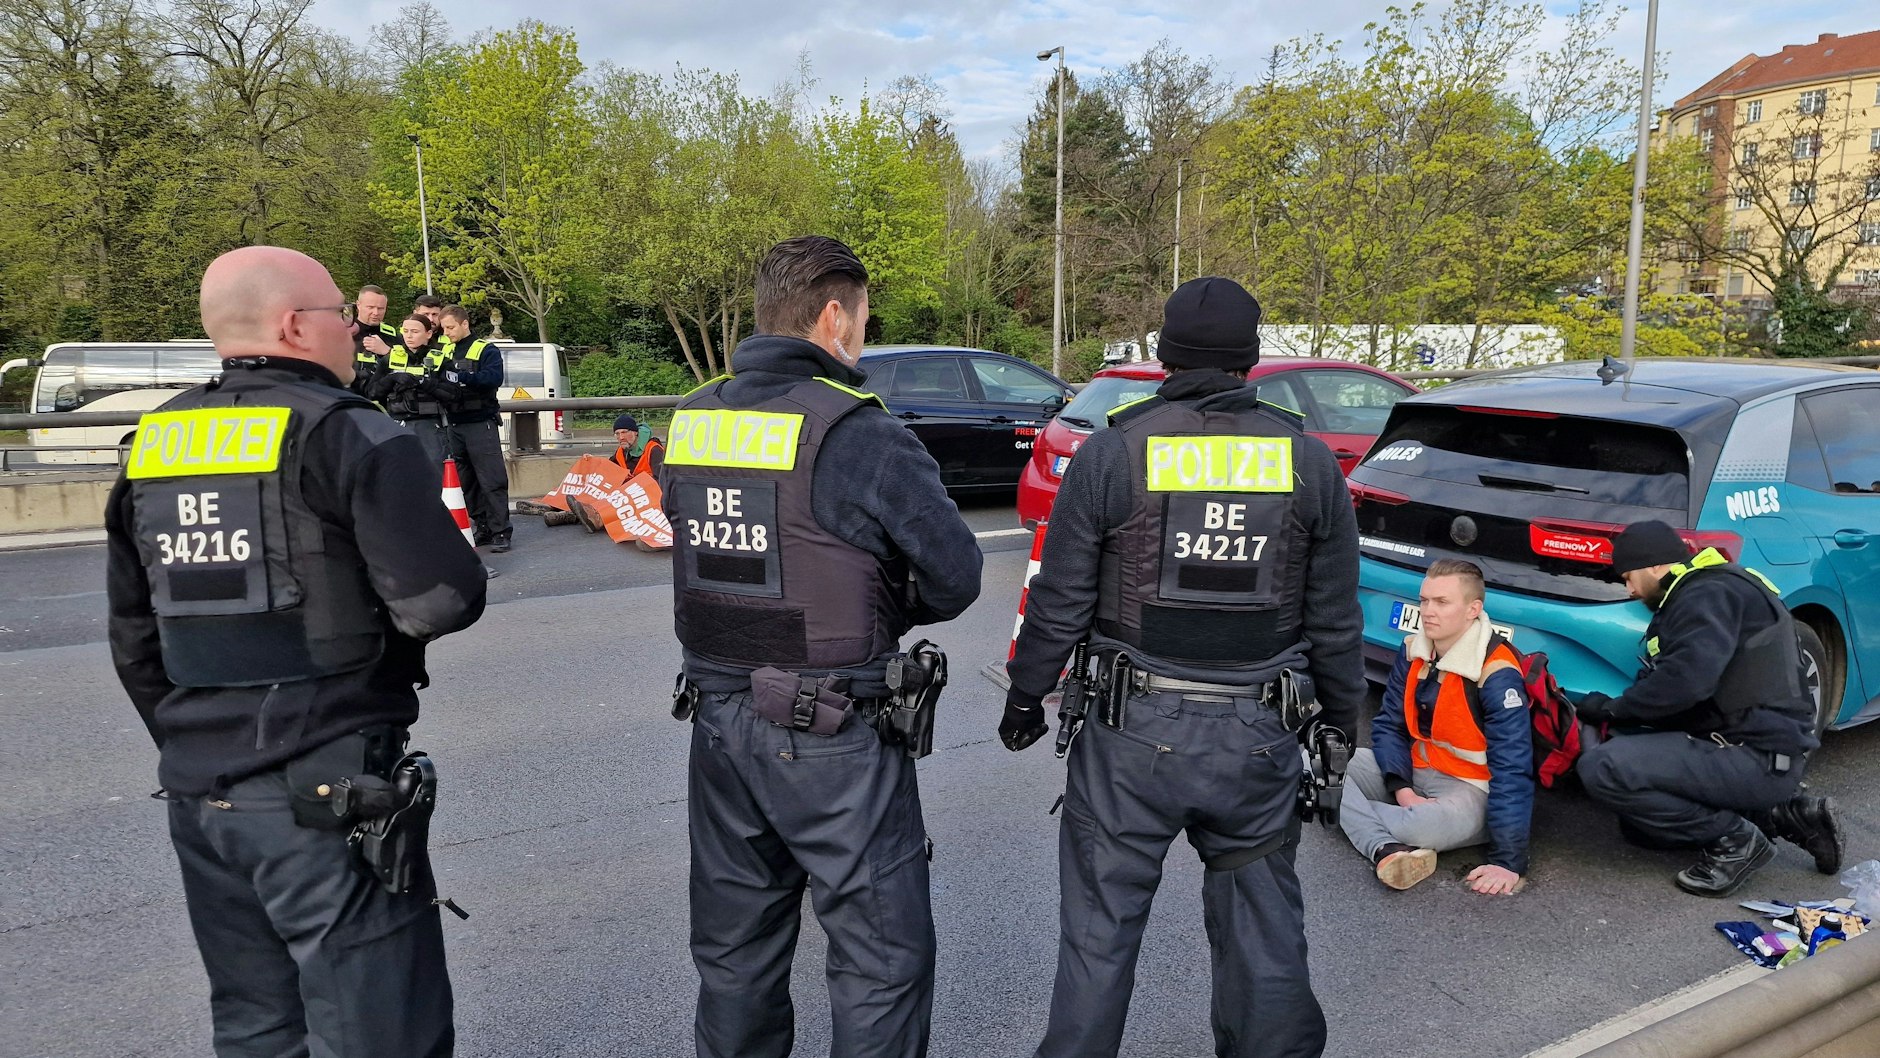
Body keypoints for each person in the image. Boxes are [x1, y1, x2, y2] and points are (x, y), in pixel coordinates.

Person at [103, 245, 488, 1057]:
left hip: (202, 794)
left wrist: (199, 741)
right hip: (326, 785)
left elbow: (134, 634)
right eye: (338, 314)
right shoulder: (349, 433)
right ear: (293, 325)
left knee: (255, 1025)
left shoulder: (156, 441)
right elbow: (443, 600)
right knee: (379, 1027)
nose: (352, 329)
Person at [1000, 276, 1364, 1058]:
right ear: (1252, 358)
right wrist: (1342, 721)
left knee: (1099, 940)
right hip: (1259, 738)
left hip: (1130, 735)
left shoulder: (1114, 452)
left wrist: (1027, 696)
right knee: (1264, 939)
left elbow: (1058, 598)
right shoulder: (1309, 462)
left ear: (1163, 355)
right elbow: (1335, 620)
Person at [663, 235, 982, 1058]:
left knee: (735, 959)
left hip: (720, 724)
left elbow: (698, 542)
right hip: (832, 733)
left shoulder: (696, 418)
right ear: (833, 317)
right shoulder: (858, 431)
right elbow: (954, 576)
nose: (863, 340)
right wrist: (876, 599)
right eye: (865, 322)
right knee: (881, 961)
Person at [1575, 521, 1843, 896]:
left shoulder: (1706, 595)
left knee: (1602, 768)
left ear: (1655, 566)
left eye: (1629, 577)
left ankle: (1735, 843)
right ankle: (1787, 815)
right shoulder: (1716, 588)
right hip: (1762, 754)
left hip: (1755, 757)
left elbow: (1684, 684)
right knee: (1639, 826)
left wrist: (1612, 710)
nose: (1630, 590)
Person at [1340, 559, 1532, 894]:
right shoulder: (1414, 649)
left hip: (1469, 789)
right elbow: (1389, 726)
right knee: (1315, 758)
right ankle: (1385, 849)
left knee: (1414, 827)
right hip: (1416, 770)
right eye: (1425, 600)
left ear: (1473, 609)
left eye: (1442, 602)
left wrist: (1507, 862)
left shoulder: (1497, 673)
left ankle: (1333, 809)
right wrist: (1403, 789)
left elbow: (1513, 769)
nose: (1428, 611)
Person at [434, 305, 512, 552]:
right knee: (467, 481)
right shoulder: (444, 349)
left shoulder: (485, 349)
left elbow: (492, 379)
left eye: (450, 327)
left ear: (464, 324)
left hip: (480, 423)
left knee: (491, 479)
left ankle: (501, 531)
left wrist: (461, 377)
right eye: (444, 328)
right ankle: (484, 527)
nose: (447, 333)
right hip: (454, 422)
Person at [369, 314, 450, 475]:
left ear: (428, 333)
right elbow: (372, 392)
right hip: (398, 421)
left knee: (434, 472)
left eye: (414, 331)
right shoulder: (390, 359)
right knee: (399, 473)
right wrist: (391, 379)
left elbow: (452, 394)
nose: (409, 335)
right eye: (405, 331)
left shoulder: (440, 359)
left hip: (430, 425)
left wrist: (425, 383)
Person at [350, 285, 400, 396]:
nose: (376, 313)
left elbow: (407, 367)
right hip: (353, 395)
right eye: (370, 307)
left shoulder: (391, 334)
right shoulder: (346, 332)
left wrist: (388, 352)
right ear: (358, 305)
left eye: (381, 308)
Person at [609, 413, 664, 478]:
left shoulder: (654, 450)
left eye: (624, 432)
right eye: (617, 434)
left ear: (635, 433)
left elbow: (663, 480)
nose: (621, 437)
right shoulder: (621, 451)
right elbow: (607, 469)